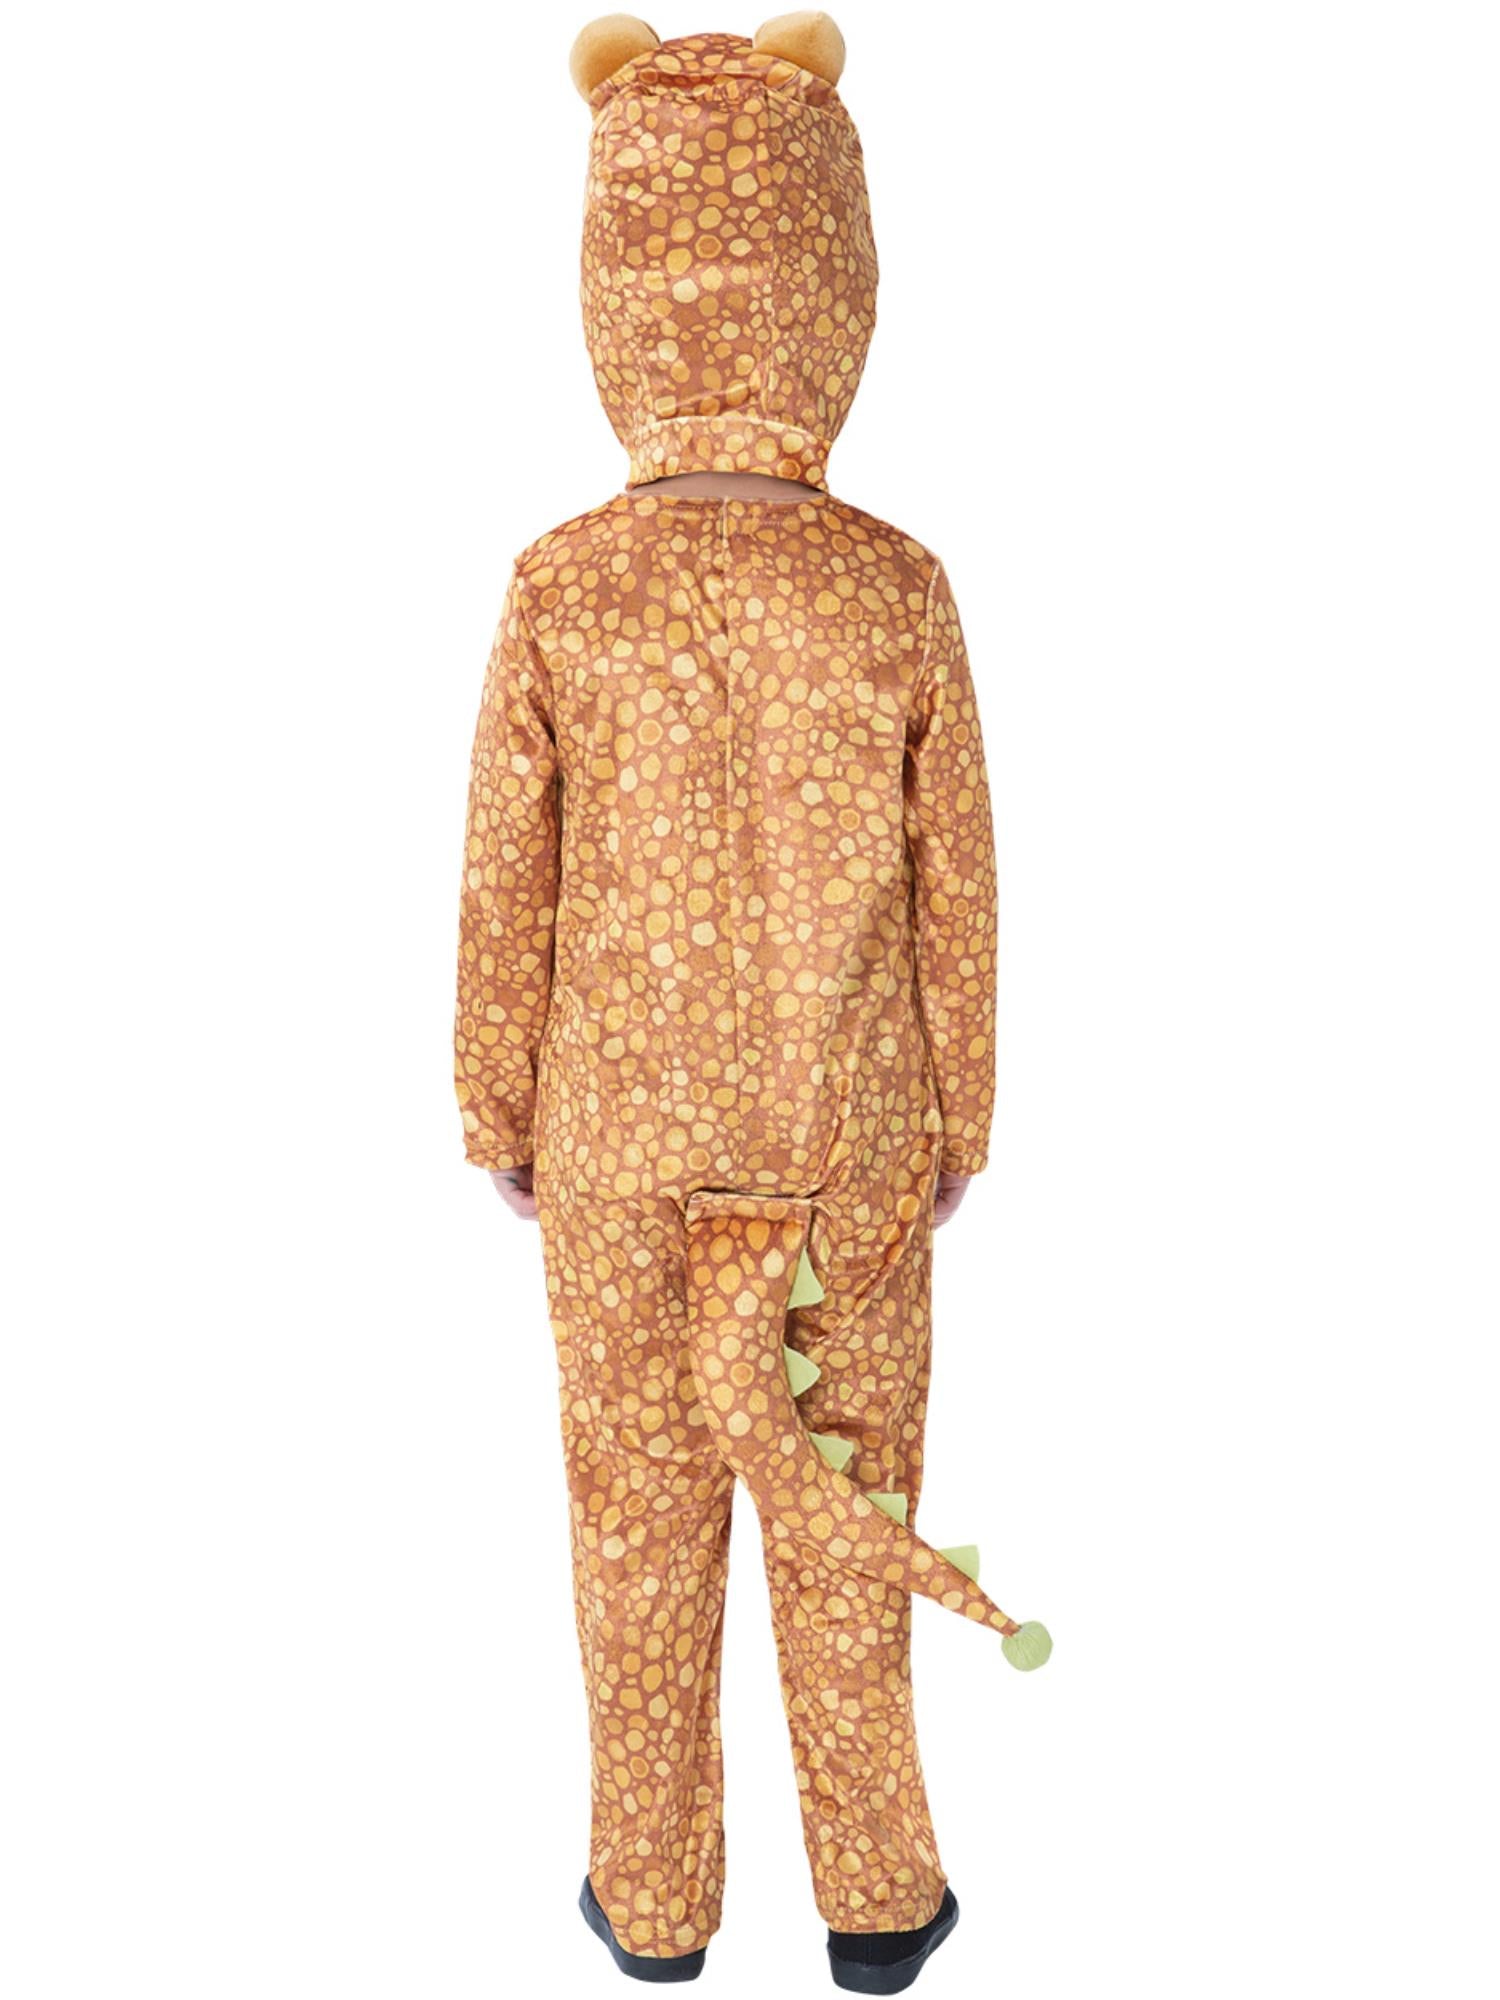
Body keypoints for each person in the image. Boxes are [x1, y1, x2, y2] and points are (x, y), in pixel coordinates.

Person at [454, 15, 1050, 1991]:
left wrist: (498, 1109)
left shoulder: (561, 584)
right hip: (848, 1135)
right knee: (846, 1500)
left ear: (613, 289)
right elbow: (963, 887)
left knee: (635, 1516)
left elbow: (507, 879)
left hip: (613, 1147)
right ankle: (878, 1900)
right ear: (839, 287)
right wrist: (962, 1119)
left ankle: (653, 1899)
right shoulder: (899, 586)